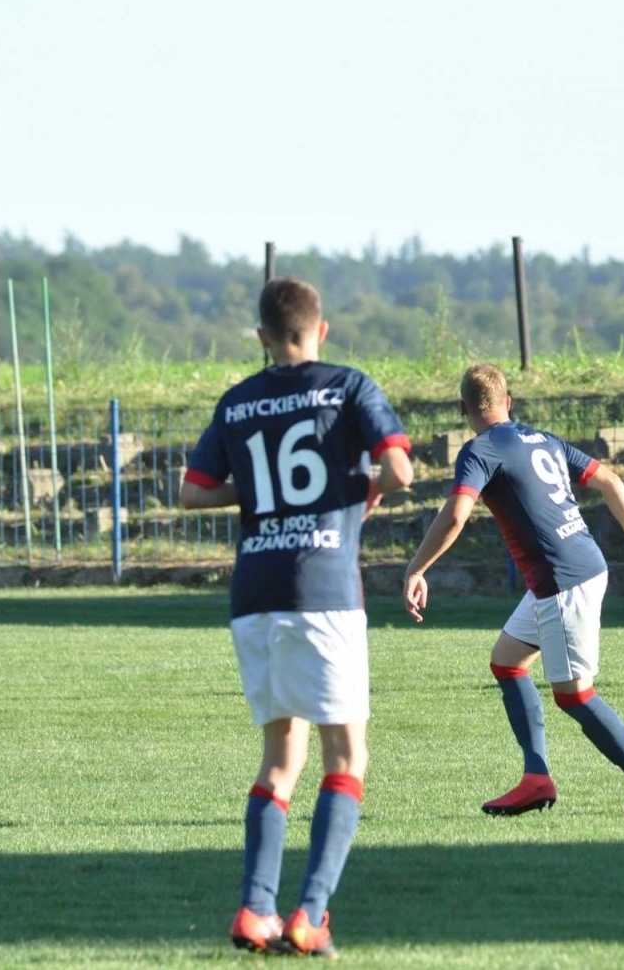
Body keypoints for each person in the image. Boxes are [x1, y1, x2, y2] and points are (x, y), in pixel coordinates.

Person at [179, 277, 415, 957]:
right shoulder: (348, 386)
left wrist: (257, 496)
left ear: (261, 336)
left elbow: (192, 495)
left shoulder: (237, 400)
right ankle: (310, 914)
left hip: (254, 592)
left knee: (281, 757)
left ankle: (256, 911)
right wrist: (358, 486)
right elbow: (398, 472)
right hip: (324, 591)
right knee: (347, 755)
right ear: (321, 329)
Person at [404, 364, 624, 815]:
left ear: (463, 409)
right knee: (507, 661)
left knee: (574, 695)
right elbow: (611, 481)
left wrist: (416, 567)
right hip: (575, 569)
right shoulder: (542, 439)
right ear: (509, 403)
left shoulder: (479, 450)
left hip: (562, 581)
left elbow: (455, 515)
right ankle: (535, 778)